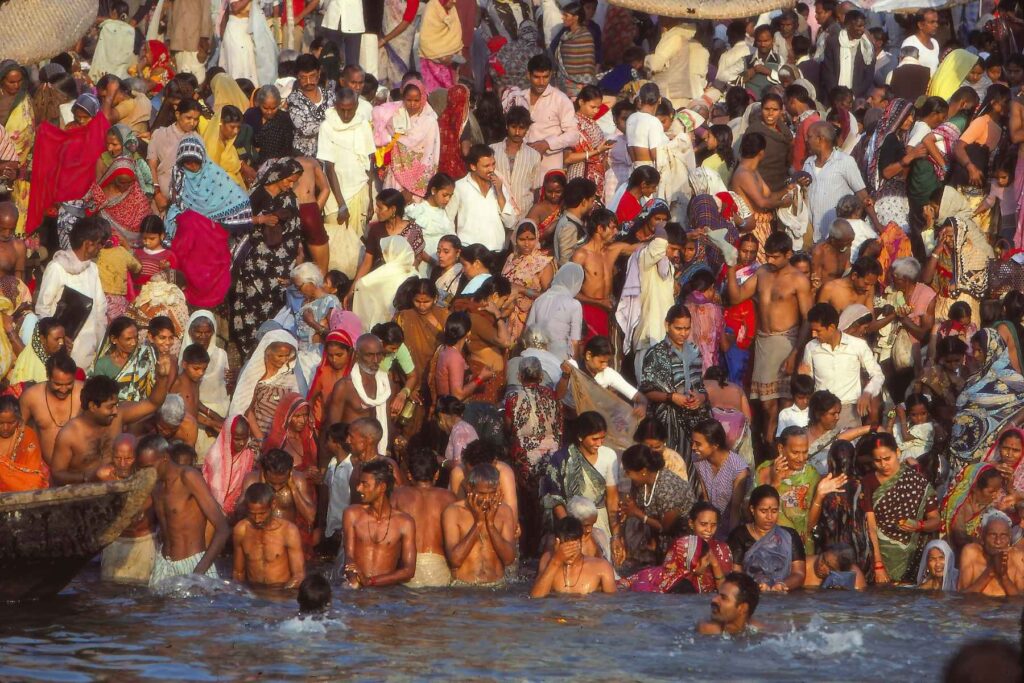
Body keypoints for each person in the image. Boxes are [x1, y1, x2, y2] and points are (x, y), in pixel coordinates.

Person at [725, 232, 812, 442]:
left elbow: (808, 319)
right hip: (763, 342)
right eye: (767, 256)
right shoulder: (762, 272)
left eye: (775, 257)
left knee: (783, 402)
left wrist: (795, 353)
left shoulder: (799, 280)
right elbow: (736, 296)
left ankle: (777, 445)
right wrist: (730, 266)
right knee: (765, 404)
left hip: (787, 341)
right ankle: (769, 444)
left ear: (788, 254)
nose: (770, 261)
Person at [50, 354, 171, 486]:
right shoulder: (70, 434)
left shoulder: (119, 416)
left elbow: (153, 403)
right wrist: (87, 477)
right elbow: (57, 474)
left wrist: (162, 378)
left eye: (116, 405)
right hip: (86, 495)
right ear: (93, 406)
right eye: (110, 407)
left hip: (118, 489)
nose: (115, 411)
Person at [232, 158, 304, 358]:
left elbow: (295, 229)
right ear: (279, 175)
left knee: (275, 303)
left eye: (294, 182)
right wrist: (261, 220)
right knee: (249, 302)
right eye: (288, 180)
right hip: (254, 260)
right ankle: (248, 349)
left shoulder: (289, 198)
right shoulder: (258, 194)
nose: (290, 185)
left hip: (279, 263)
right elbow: (238, 220)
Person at [138, 435, 230, 587]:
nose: (145, 473)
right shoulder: (155, 486)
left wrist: (198, 573)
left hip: (194, 565)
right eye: (141, 468)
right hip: (164, 565)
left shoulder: (188, 477)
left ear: (165, 457)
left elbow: (223, 529)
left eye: (148, 467)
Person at [861, 432, 939, 584]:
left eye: (887, 458)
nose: (883, 465)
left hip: (913, 555)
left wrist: (919, 525)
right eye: (877, 461)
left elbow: (936, 520)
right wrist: (878, 565)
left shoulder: (917, 480)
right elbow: (870, 525)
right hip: (879, 555)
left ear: (897, 452)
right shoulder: (869, 481)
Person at [35, 216, 109, 370]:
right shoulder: (57, 268)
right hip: (64, 351)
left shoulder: (92, 269)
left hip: (90, 350)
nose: (101, 248)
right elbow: (43, 309)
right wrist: (56, 340)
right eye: (100, 244)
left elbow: (100, 308)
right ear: (88, 243)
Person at [799, 303, 884, 430]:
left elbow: (878, 375)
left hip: (849, 411)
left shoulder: (858, 345)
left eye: (818, 330)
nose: (813, 335)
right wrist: (803, 377)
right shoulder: (811, 347)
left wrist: (867, 393)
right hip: (821, 413)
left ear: (832, 327)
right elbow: (808, 382)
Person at [619, 502, 733, 593]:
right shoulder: (681, 546)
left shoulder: (721, 549)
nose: (709, 530)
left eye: (713, 525)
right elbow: (665, 574)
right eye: (703, 524)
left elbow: (726, 591)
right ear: (691, 524)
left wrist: (715, 564)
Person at [540, 411, 618, 544]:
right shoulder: (561, 459)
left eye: (602, 438)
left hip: (598, 521)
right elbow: (554, 498)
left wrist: (616, 535)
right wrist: (568, 529)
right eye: (594, 439)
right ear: (580, 437)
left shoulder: (609, 456)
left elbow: (612, 498)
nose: (599, 443)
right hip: (571, 522)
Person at [501, 54, 580, 185]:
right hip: (521, 164)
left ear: (551, 75)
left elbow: (574, 135)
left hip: (548, 169)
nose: (541, 82)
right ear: (528, 75)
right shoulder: (519, 98)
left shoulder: (560, 99)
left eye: (545, 77)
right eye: (537, 77)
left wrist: (547, 144)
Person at [392, 447, 457, 588]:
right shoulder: (448, 497)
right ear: (437, 475)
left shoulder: (397, 495)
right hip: (438, 568)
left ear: (409, 475)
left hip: (407, 569)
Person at [442, 463, 517, 585]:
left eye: (492, 493)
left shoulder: (505, 511)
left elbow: (509, 559)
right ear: (470, 489)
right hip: (464, 587)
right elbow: (455, 560)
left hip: (497, 586)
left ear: (498, 489)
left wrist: (491, 525)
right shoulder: (453, 512)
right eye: (482, 494)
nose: (487, 499)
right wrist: (478, 523)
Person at [619, 443, 695, 562]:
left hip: (681, 545)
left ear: (643, 471)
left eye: (628, 472)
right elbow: (636, 504)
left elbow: (665, 527)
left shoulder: (669, 488)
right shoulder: (641, 482)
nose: (626, 475)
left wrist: (636, 513)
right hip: (657, 542)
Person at [322, 335, 397, 454]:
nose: (376, 360)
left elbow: (386, 421)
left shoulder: (386, 385)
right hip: (350, 453)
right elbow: (332, 429)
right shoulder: (345, 386)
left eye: (379, 354)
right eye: (370, 355)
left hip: (376, 451)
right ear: (357, 355)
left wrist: (391, 445)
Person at [727, 485, 807, 592]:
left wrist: (782, 585)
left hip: (783, 597)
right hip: (750, 595)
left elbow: (799, 573)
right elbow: (736, 574)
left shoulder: (789, 536)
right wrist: (755, 586)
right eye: (763, 511)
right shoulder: (738, 536)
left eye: (774, 511)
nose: (769, 517)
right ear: (752, 509)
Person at [374, 80, 439, 201]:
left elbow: (429, 156)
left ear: (423, 99)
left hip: (417, 180)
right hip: (394, 175)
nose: (412, 104)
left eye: (416, 100)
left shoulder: (429, 122)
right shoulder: (396, 116)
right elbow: (388, 142)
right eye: (408, 100)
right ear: (403, 98)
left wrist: (411, 187)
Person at [232, 482, 305, 588]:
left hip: (281, 594)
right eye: (252, 514)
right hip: (253, 594)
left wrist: (281, 597)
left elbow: (299, 575)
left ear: (273, 505)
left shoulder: (288, 531)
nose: (257, 519)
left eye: (262, 513)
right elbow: (238, 573)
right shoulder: (241, 530)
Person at [445, 145, 513, 251]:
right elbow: (448, 220)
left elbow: (510, 222)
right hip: (468, 250)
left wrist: (499, 192)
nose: (491, 169)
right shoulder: (459, 187)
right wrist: (456, 247)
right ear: (473, 167)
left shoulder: (499, 186)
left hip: (496, 250)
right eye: (486, 166)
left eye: (493, 164)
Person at [690, 419, 749, 537]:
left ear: (715, 445)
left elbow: (735, 511)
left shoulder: (738, 469)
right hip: (709, 527)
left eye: (698, 444)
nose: (693, 447)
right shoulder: (698, 459)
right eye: (693, 442)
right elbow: (706, 498)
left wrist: (730, 541)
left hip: (732, 529)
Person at [531, 516, 616, 597]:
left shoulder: (602, 567)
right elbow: (536, 598)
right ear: (557, 543)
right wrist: (556, 561)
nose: (570, 554)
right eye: (566, 549)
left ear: (581, 540)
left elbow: (612, 606)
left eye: (573, 548)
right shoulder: (547, 559)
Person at [502, 222, 554, 340]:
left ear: (536, 238)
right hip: (507, 315)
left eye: (531, 239)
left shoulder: (542, 263)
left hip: (529, 318)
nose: (526, 244)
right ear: (515, 239)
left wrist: (523, 290)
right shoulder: (511, 259)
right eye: (522, 239)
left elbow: (549, 296)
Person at [491, 107, 541, 225]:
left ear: (527, 129)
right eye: (514, 127)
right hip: (497, 211)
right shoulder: (492, 150)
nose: (517, 132)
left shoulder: (534, 156)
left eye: (522, 128)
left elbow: (536, 188)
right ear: (507, 126)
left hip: (523, 213)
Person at [940, 464, 1005, 554]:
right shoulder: (960, 506)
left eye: (998, 490)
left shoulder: (985, 503)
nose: (996, 495)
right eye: (991, 491)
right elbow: (960, 538)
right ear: (975, 488)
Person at [202, 416, 257, 519]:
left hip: (237, 511)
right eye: (237, 439)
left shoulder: (248, 454)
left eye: (245, 438)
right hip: (212, 511)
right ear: (228, 436)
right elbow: (214, 495)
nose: (241, 443)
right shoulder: (215, 457)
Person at [958, 511, 1024, 596]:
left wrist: (1004, 577)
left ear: (1009, 538)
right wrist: (990, 570)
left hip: (1007, 608)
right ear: (982, 536)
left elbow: (1020, 601)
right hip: (979, 607)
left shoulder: (1017, 557)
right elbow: (962, 597)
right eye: (993, 535)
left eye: (1003, 535)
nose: (998, 541)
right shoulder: (971, 552)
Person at [0, 395, 47, 492]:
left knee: (36, 482)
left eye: (11, 423)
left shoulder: (27, 434)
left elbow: (33, 471)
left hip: (22, 484)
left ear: (19, 419)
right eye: (0, 423)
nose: (5, 428)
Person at [696, 571, 763, 635]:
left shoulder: (759, 629)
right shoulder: (708, 630)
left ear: (742, 608)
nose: (714, 599)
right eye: (717, 595)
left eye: (724, 598)